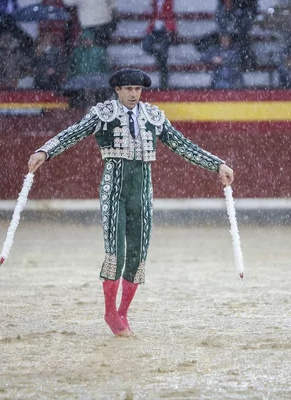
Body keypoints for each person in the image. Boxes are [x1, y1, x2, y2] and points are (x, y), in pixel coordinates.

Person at [27, 68, 234, 337]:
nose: (134, 94)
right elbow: (73, 133)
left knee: (137, 256)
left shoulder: (153, 117)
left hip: (143, 194)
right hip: (114, 191)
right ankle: (110, 312)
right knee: (117, 253)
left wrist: (217, 165)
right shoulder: (103, 114)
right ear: (117, 90)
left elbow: (184, 146)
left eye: (137, 89)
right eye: (128, 89)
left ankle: (123, 311)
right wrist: (45, 150)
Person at [142, 0, 176, 88]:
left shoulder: (168, 2)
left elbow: (169, 13)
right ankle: (158, 56)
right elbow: (151, 13)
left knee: (164, 55)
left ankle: (164, 81)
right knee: (146, 46)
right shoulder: (155, 3)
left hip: (165, 29)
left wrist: (169, 28)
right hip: (155, 29)